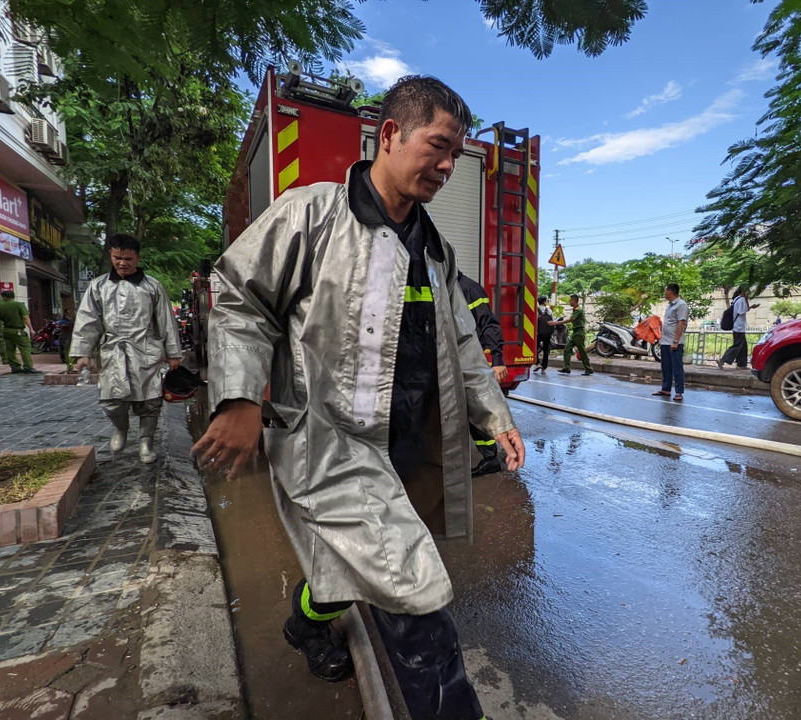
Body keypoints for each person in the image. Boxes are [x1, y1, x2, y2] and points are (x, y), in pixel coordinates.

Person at [190, 75, 524, 720]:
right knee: (412, 588)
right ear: (390, 135)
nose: (450, 166)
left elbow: (460, 345)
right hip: (333, 440)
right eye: (439, 146)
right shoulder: (311, 213)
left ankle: (308, 622)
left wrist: (494, 416)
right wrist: (237, 399)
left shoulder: (435, 248)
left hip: (414, 440)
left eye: (458, 153)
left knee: (366, 560)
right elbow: (239, 298)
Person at [69, 234, 182, 464]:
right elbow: (88, 320)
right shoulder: (98, 286)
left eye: (128, 258)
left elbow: (165, 320)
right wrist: (83, 353)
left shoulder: (153, 286)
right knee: (112, 401)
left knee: (150, 402)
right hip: (113, 350)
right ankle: (121, 428)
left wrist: (173, 354)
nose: (122, 263)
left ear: (138, 258)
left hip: (146, 350)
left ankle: (146, 442)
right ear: (111, 255)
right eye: (117, 257)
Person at [457, 271, 507, 477]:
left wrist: (497, 359)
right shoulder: (440, 286)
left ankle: (490, 458)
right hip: (448, 361)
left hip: (468, 361)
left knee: (475, 410)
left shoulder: (468, 288)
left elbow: (488, 324)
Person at [653, 283, 688, 401]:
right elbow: (668, 323)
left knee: (677, 367)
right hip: (665, 341)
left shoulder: (681, 305)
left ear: (670, 291)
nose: (664, 293)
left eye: (665, 291)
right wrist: (661, 338)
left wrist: (676, 341)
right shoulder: (669, 305)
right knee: (666, 366)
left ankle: (679, 392)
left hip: (675, 342)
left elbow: (681, 324)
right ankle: (666, 388)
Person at [0, 290, 38, 374]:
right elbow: (25, 317)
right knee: (25, 348)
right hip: (18, 330)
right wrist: (31, 329)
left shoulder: (0, 307)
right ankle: (28, 366)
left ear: (4, 297)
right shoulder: (19, 305)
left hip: (6, 330)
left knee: (10, 350)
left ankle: (15, 367)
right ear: (13, 296)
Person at [550, 294, 593, 376]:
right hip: (575, 333)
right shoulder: (575, 309)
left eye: (570, 300)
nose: (569, 302)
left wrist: (555, 323)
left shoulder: (578, 309)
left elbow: (570, 320)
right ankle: (567, 367)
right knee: (567, 349)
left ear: (574, 301)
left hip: (579, 333)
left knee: (582, 351)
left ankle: (589, 368)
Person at [717, 287, 759, 369]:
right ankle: (723, 360)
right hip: (739, 326)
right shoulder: (741, 300)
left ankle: (741, 364)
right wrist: (747, 302)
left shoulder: (737, 299)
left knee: (743, 347)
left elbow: (743, 309)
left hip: (738, 326)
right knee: (737, 345)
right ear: (743, 291)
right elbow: (742, 311)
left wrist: (750, 306)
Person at [535, 295, 553, 374]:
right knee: (546, 350)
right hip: (547, 333)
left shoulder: (536, 311)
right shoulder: (549, 311)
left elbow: (535, 322)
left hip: (539, 332)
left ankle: (537, 363)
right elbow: (552, 320)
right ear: (544, 301)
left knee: (535, 348)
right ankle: (544, 368)